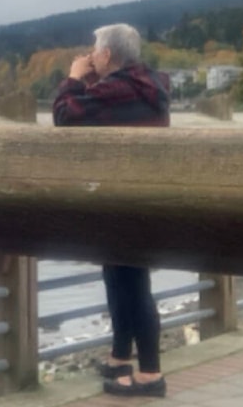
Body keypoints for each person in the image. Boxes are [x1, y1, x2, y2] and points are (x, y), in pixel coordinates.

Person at [52, 23, 170, 398]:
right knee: (121, 277)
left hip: (124, 200)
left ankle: (151, 375)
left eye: (93, 49)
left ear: (105, 55)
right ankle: (121, 358)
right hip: (142, 198)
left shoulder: (118, 90)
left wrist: (73, 78)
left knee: (132, 284)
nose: (89, 54)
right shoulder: (149, 87)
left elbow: (64, 115)